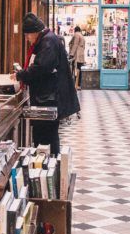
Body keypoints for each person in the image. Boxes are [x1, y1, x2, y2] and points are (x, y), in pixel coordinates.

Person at [13, 13, 80, 154]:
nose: (27, 39)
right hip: (48, 97)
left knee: (47, 136)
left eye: (27, 35)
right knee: (46, 136)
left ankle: (49, 167)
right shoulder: (47, 40)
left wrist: (20, 75)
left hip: (49, 98)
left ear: (35, 32)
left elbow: (41, 68)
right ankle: (48, 165)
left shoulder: (48, 42)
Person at [68, 26, 86, 90]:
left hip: (76, 56)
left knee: (75, 70)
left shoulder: (76, 35)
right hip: (80, 56)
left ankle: (75, 85)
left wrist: (71, 54)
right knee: (79, 70)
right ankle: (78, 85)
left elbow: (75, 44)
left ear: (75, 30)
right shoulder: (81, 35)